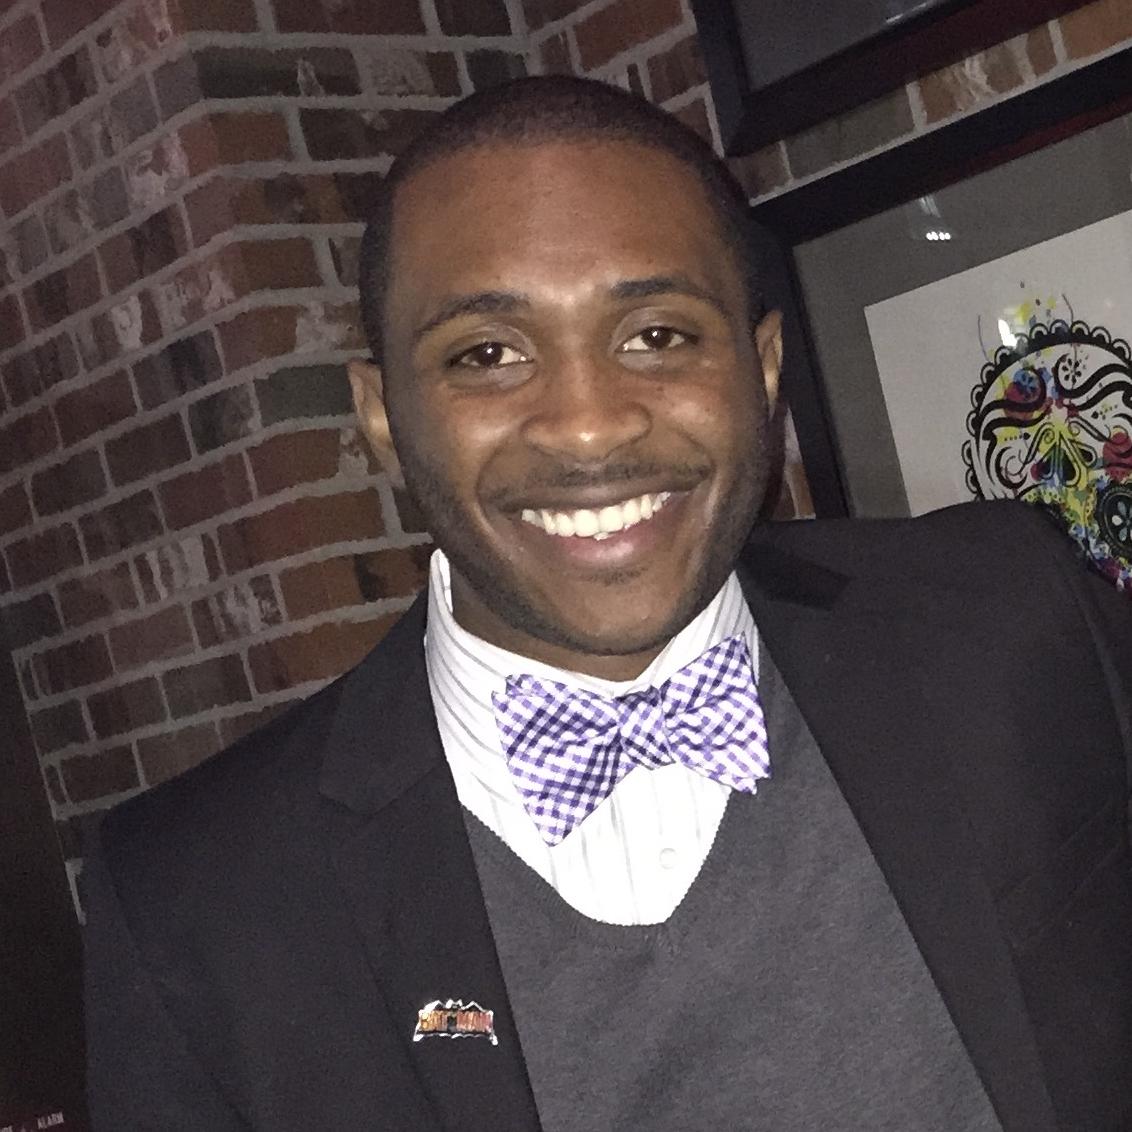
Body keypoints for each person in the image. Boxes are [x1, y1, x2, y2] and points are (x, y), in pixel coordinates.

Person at [82, 76, 1132, 1131]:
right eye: (487, 355)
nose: (588, 425)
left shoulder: (1007, 614)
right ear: (383, 415)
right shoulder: (195, 903)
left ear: (762, 367)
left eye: (656, 336)